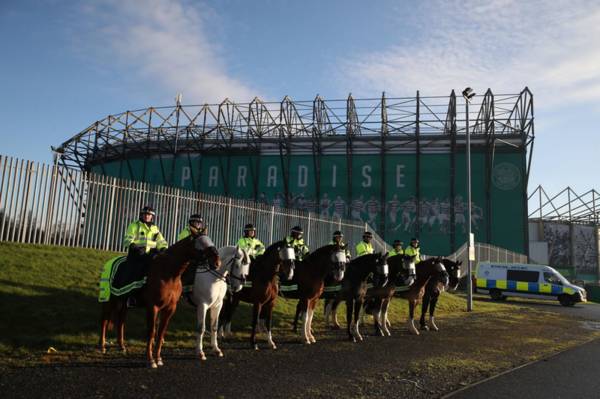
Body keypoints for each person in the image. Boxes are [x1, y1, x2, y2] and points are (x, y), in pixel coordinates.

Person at [122, 206, 168, 307]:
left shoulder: (155, 228)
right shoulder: (134, 226)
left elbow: (161, 241)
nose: (147, 216)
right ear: (141, 215)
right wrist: (133, 246)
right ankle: (131, 297)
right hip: (136, 255)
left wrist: (163, 248)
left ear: (152, 217)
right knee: (136, 273)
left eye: (149, 215)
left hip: (150, 255)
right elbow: (127, 239)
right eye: (145, 214)